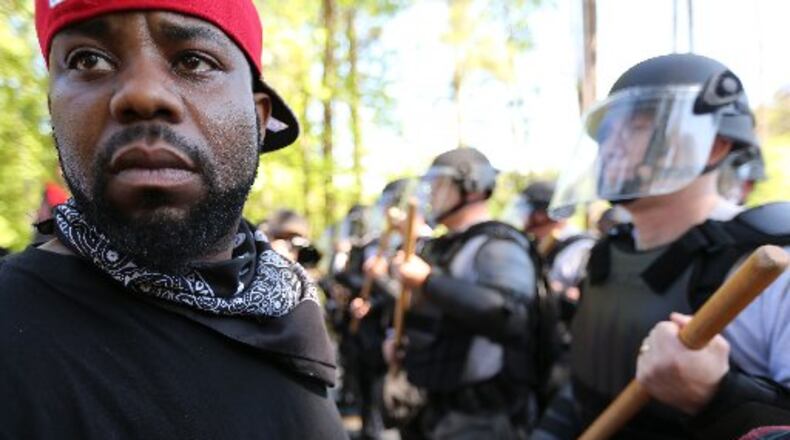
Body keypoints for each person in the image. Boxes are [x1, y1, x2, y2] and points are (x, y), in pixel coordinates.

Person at [0, 1, 346, 438]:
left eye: (193, 60)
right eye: (88, 60)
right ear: (54, 110)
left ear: (259, 120)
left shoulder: (290, 315)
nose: (143, 94)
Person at [535, 53, 790, 438]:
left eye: (635, 126)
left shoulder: (771, 268)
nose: (612, 147)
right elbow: (583, 384)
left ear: (714, 146)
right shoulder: (604, 255)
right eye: (607, 133)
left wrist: (719, 397)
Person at [389, 148, 539, 439]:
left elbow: (508, 314)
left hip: (479, 413)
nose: (430, 193)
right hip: (434, 402)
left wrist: (428, 281)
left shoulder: (497, 244)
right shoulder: (443, 244)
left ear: (470, 187)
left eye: (439, 184)